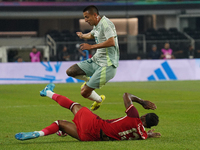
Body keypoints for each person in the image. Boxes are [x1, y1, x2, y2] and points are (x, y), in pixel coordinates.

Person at [15, 83, 161, 141]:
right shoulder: (142, 135)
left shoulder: (135, 116)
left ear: (144, 115)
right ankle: (39, 133)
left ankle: (47, 92)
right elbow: (141, 133)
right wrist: (150, 134)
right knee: (60, 124)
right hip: (90, 137)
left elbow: (126, 95)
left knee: (74, 105)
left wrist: (142, 102)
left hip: (96, 126)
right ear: (147, 126)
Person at [66, 5, 120, 111]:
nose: (85, 20)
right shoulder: (97, 25)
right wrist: (83, 35)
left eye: (87, 17)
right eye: (84, 17)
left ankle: (99, 99)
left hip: (107, 65)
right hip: (96, 61)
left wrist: (91, 47)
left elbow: (111, 42)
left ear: (95, 15)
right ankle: (89, 80)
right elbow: (93, 34)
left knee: (84, 92)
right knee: (71, 71)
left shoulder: (106, 24)